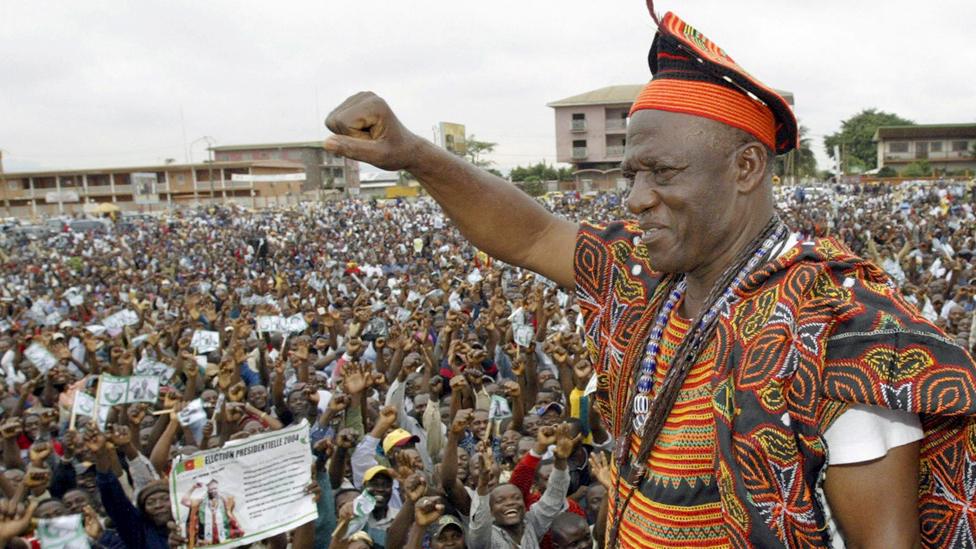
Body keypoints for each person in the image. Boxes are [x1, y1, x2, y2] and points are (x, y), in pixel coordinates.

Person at [323, 5, 976, 549]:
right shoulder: (644, 279)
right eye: (631, 173)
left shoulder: (838, 327)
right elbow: (532, 232)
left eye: (662, 174)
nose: (635, 197)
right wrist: (412, 152)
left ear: (746, 168)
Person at [180, 478, 244, 547]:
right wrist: (193, 487)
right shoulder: (201, 502)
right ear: (207, 490)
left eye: (215, 488)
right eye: (211, 489)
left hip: (225, 540)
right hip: (206, 542)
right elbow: (184, 501)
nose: (213, 491)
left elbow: (234, 514)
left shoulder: (224, 500)